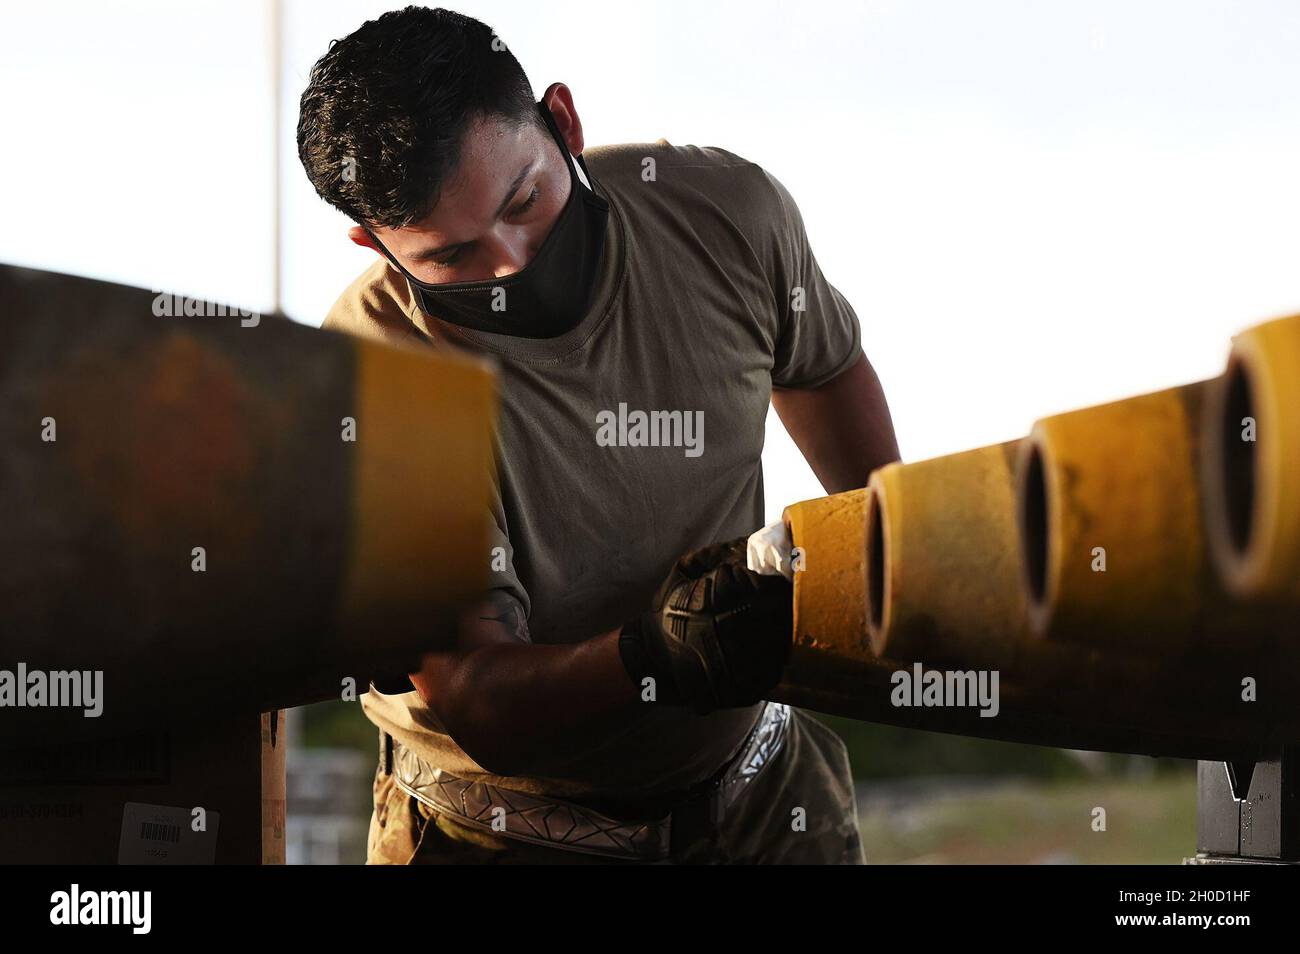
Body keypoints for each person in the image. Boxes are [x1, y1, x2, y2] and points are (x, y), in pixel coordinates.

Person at [296, 5, 900, 864]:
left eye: (525, 201)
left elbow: (823, 366)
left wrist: (893, 554)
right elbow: (479, 697)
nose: (511, 263)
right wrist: (658, 652)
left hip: (762, 800)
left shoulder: (724, 214)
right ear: (375, 244)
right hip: (499, 835)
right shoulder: (371, 380)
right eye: (452, 258)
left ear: (563, 122)